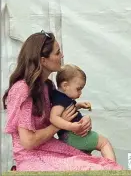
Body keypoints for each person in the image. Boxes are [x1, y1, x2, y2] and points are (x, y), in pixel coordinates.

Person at [3, 31, 123, 171]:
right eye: (57, 52)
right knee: (98, 169)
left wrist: (79, 121)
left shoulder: (48, 86)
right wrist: (59, 125)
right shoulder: (22, 89)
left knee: (106, 167)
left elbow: (59, 115)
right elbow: (28, 142)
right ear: (43, 60)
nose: (62, 55)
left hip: (52, 148)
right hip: (32, 158)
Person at [50, 64, 116, 161]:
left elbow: (65, 110)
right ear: (65, 85)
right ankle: (113, 167)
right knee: (104, 143)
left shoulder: (62, 98)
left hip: (71, 136)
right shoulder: (60, 100)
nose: (80, 93)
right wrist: (70, 126)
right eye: (78, 89)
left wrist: (79, 105)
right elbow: (53, 118)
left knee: (85, 159)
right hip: (72, 136)